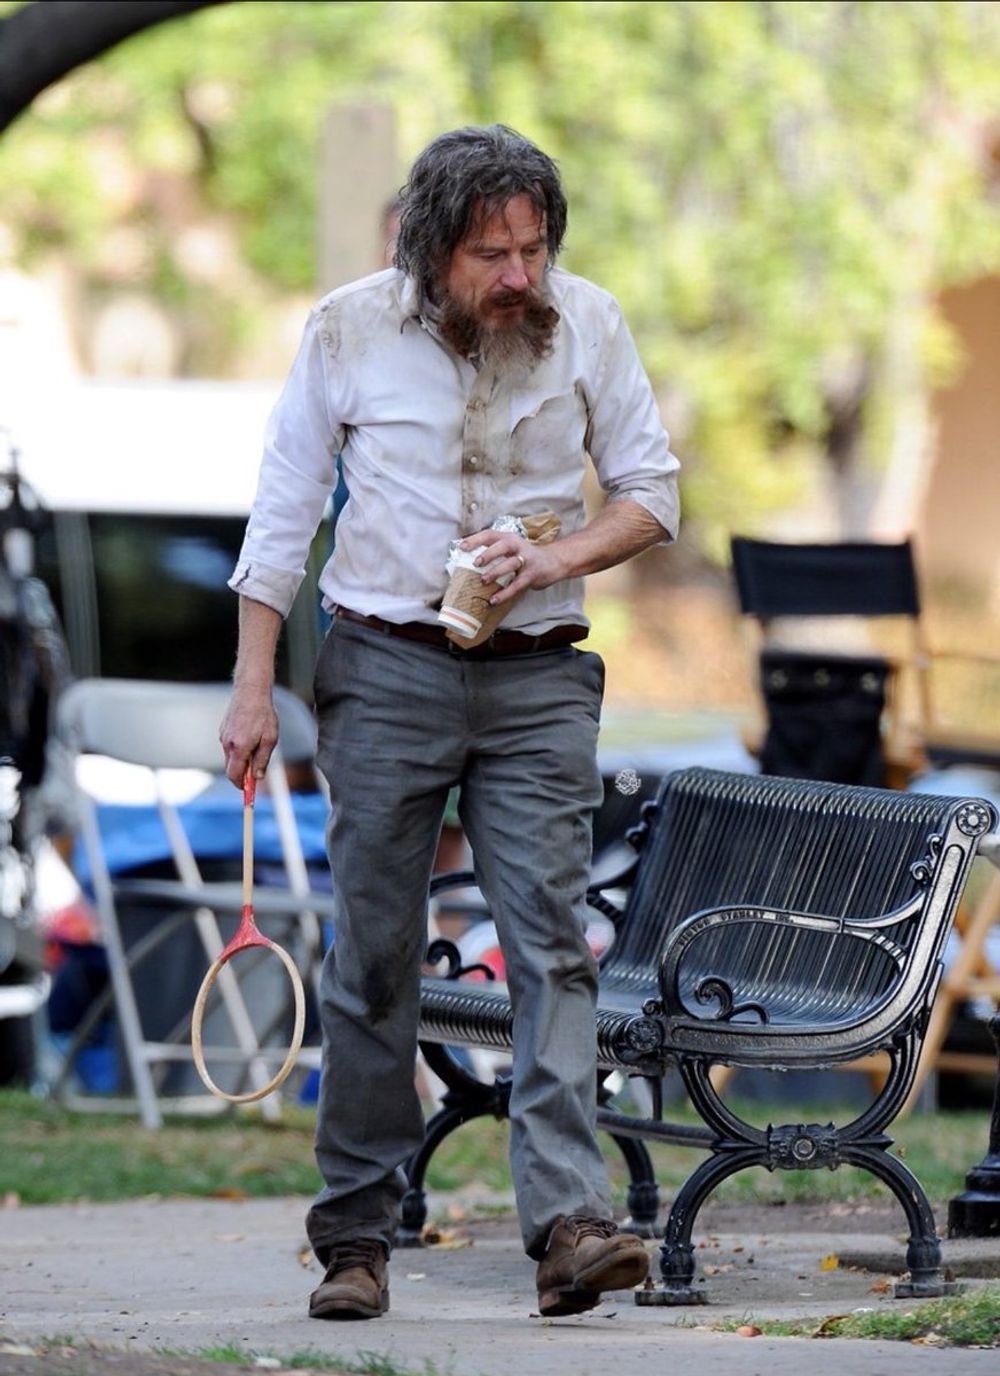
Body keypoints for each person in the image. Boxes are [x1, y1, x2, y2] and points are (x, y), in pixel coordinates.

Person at [220, 123, 680, 1321]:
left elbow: (651, 491)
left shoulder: (588, 322)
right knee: (375, 953)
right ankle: (357, 1235)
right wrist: (255, 686)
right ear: (429, 250)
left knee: (552, 944)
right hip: (383, 666)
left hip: (538, 676)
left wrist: (554, 558)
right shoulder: (347, 328)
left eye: (533, 247)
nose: (519, 274)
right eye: (491, 254)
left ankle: (571, 1224)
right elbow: (282, 511)